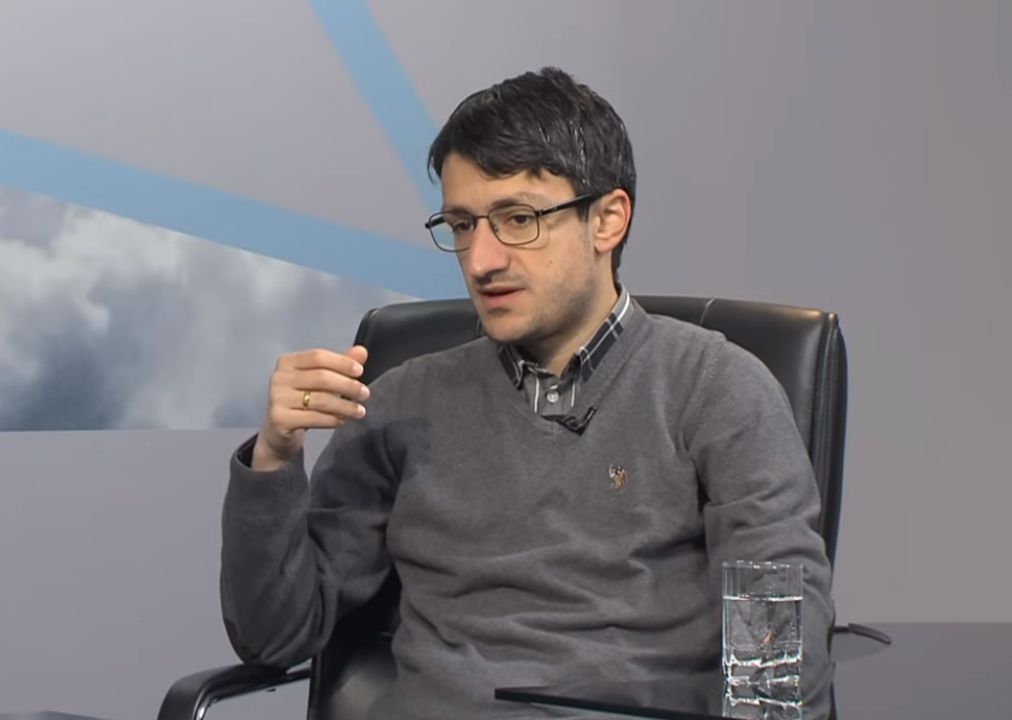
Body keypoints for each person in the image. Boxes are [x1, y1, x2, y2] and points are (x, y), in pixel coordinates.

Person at [219, 66, 835, 719]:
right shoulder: (399, 405)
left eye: (518, 219)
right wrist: (274, 459)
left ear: (607, 220)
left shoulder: (717, 389)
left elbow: (777, 662)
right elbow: (273, 637)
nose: (481, 260)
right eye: (462, 225)